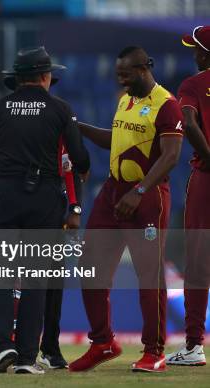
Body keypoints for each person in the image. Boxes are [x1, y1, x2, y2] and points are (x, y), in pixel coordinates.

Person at [0, 47, 89, 374]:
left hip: (4, 196)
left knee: (0, 273)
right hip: (44, 199)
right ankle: (26, 357)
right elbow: (79, 159)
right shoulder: (60, 109)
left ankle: (1, 347)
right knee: (36, 279)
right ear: (43, 76)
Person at [69, 46, 183, 373]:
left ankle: (154, 351)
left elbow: (171, 155)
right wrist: (81, 128)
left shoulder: (167, 104)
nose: (121, 79)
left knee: (148, 274)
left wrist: (140, 190)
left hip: (147, 198)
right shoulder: (125, 100)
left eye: (126, 74)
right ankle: (103, 342)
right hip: (113, 191)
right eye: (118, 74)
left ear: (145, 68)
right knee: (89, 263)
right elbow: (116, 138)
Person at [166, 25, 210, 366]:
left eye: (197, 50)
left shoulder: (193, 84)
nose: (194, 55)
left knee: (198, 262)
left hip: (206, 178)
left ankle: (194, 346)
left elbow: (190, 124)